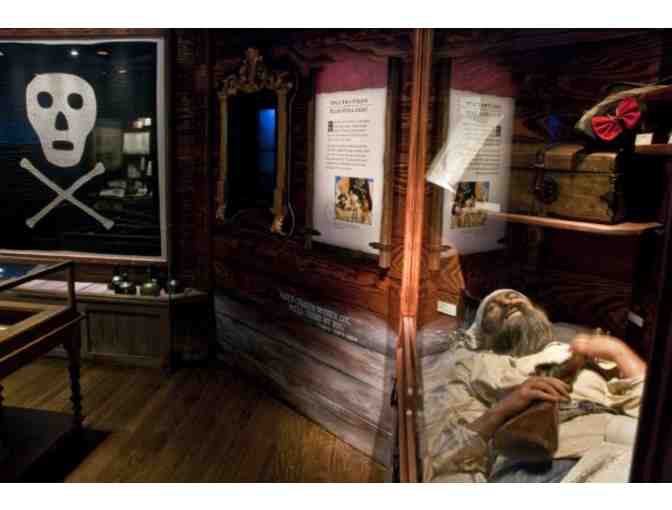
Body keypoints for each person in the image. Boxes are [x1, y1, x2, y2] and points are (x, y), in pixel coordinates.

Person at [422, 289, 646, 483]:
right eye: (492, 307)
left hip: (618, 441)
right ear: (483, 333)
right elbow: (448, 455)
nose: (508, 302)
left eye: (514, 297)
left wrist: (617, 351)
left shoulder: (581, 351)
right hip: (538, 464)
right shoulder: (473, 365)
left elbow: (649, 411)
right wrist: (507, 407)